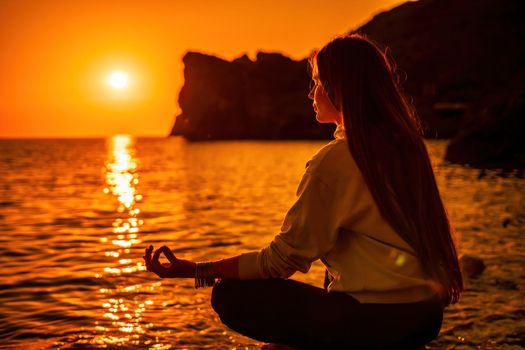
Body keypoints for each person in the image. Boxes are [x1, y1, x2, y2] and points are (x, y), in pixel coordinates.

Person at [144, 33, 463, 349]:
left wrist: (200, 270)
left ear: (340, 90)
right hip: (423, 317)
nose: (312, 94)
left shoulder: (338, 159)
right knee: (331, 269)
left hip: (375, 323)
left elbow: (282, 259)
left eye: (319, 83)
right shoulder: (408, 148)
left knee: (230, 295)